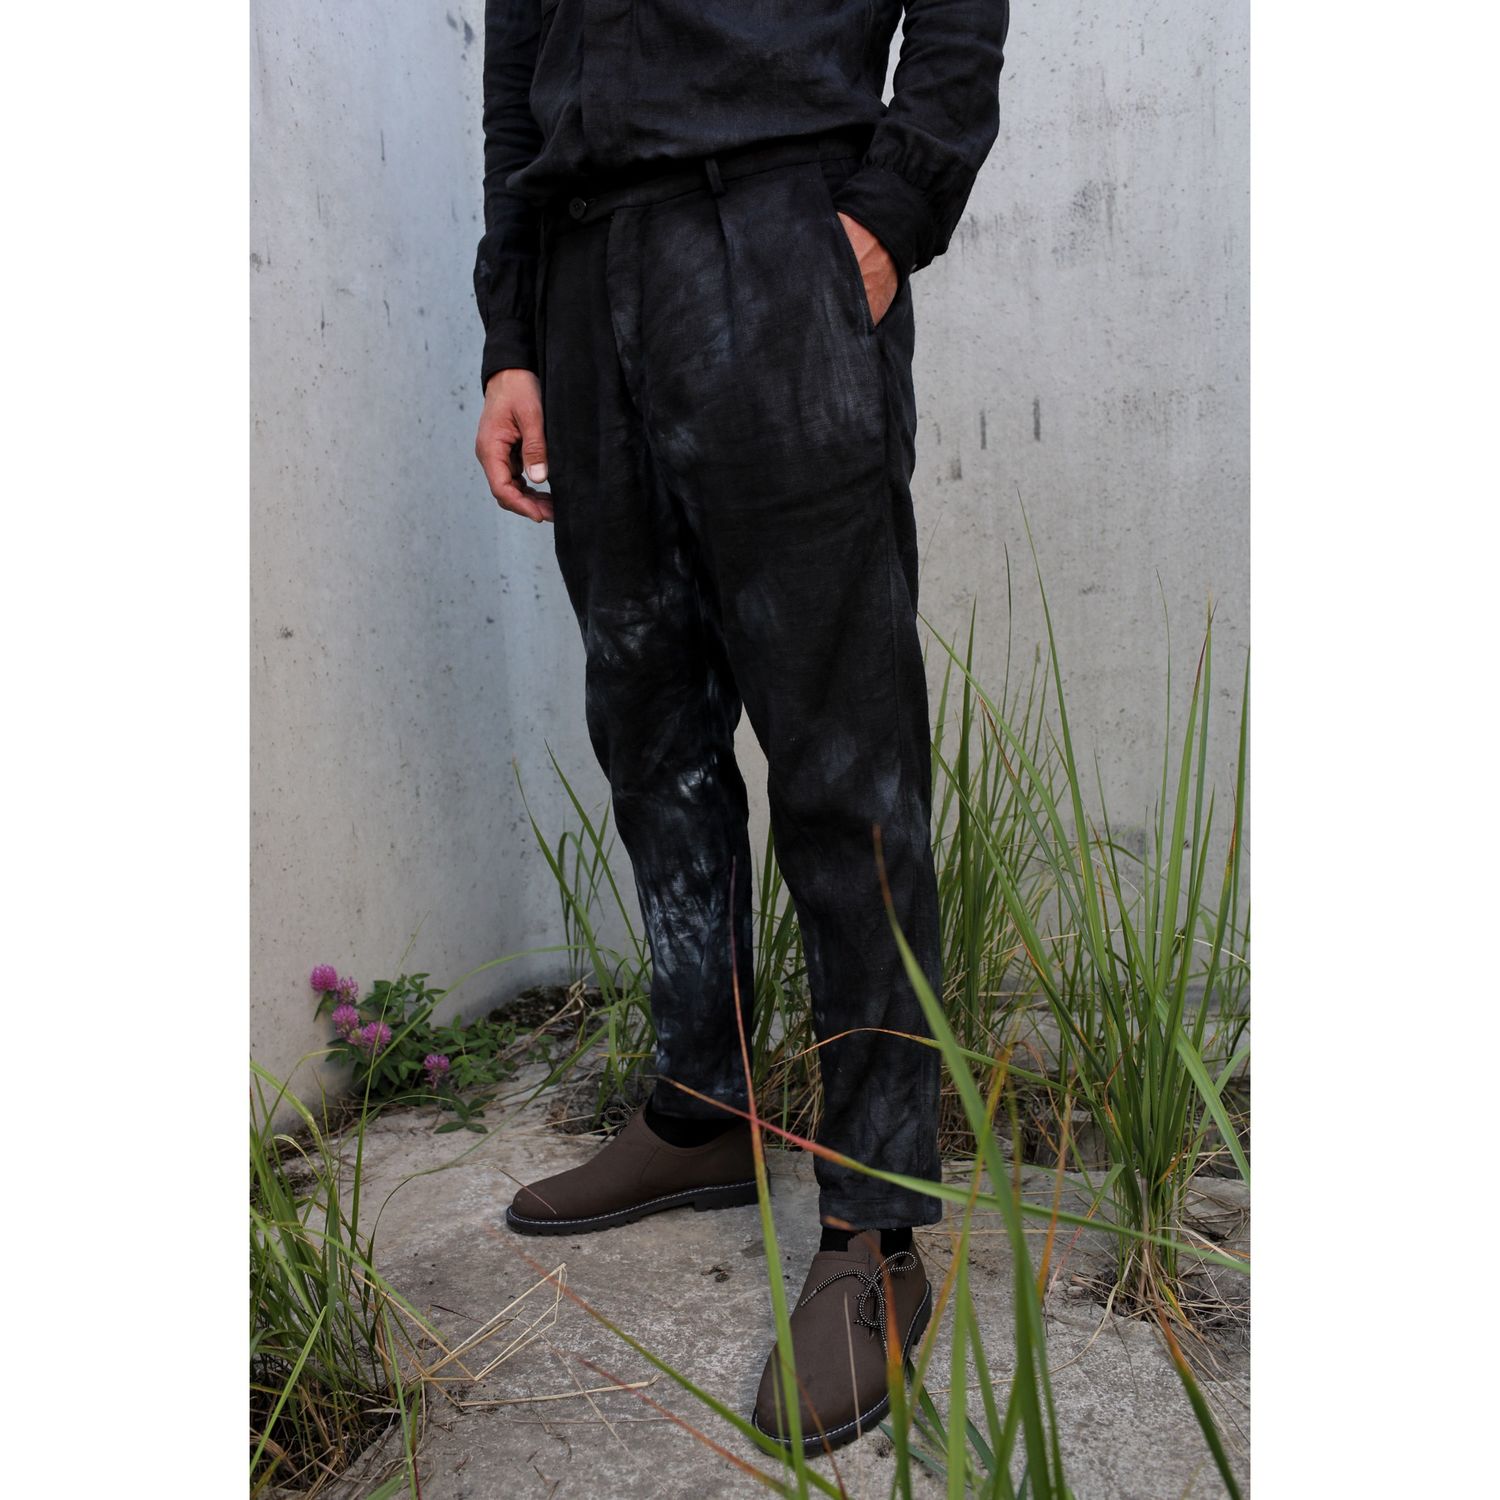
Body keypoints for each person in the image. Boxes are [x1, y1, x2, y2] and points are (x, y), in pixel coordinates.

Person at [473, 0, 1008, 1454]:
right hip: (584, 271)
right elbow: (517, 66)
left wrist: (892, 208)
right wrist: (512, 330)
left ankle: (877, 1217)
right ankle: (706, 1107)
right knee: (650, 734)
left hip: (776, 238)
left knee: (845, 761)